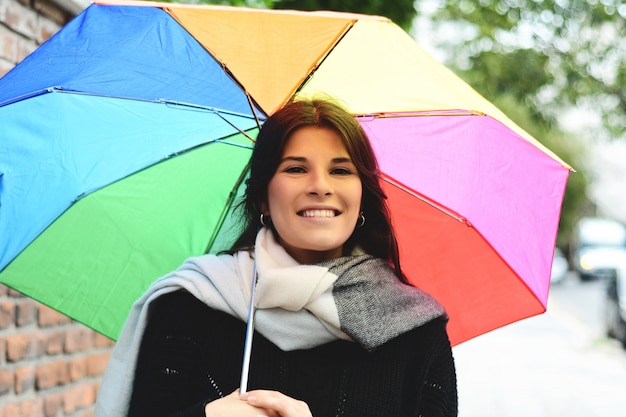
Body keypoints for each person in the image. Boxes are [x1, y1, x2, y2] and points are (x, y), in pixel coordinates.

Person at [95, 98, 458, 417]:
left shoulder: (413, 329)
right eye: (296, 169)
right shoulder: (189, 304)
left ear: (362, 196)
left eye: (341, 170)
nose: (320, 185)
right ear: (263, 198)